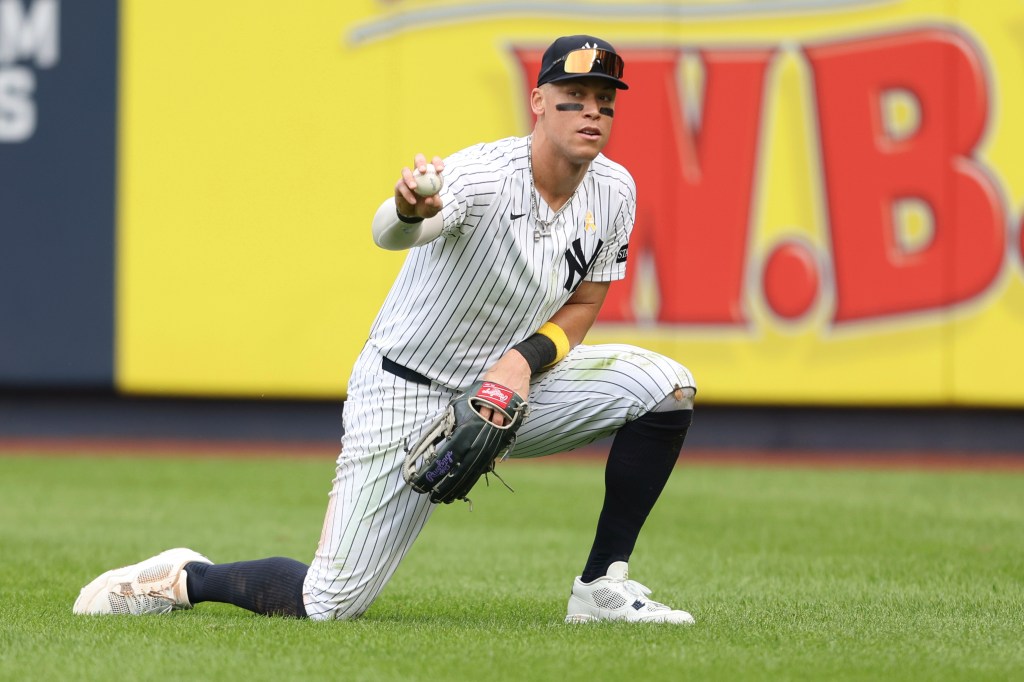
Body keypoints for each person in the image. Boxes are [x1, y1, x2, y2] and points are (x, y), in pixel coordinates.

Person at [72, 34, 698, 625]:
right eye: (574, 97)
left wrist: (522, 361)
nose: (592, 113)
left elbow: (585, 303)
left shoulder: (615, 189)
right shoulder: (482, 176)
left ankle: (601, 587)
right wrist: (407, 209)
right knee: (328, 603)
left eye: (604, 101)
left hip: (512, 388)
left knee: (665, 386)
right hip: (407, 389)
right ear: (537, 102)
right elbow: (392, 232)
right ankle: (183, 578)